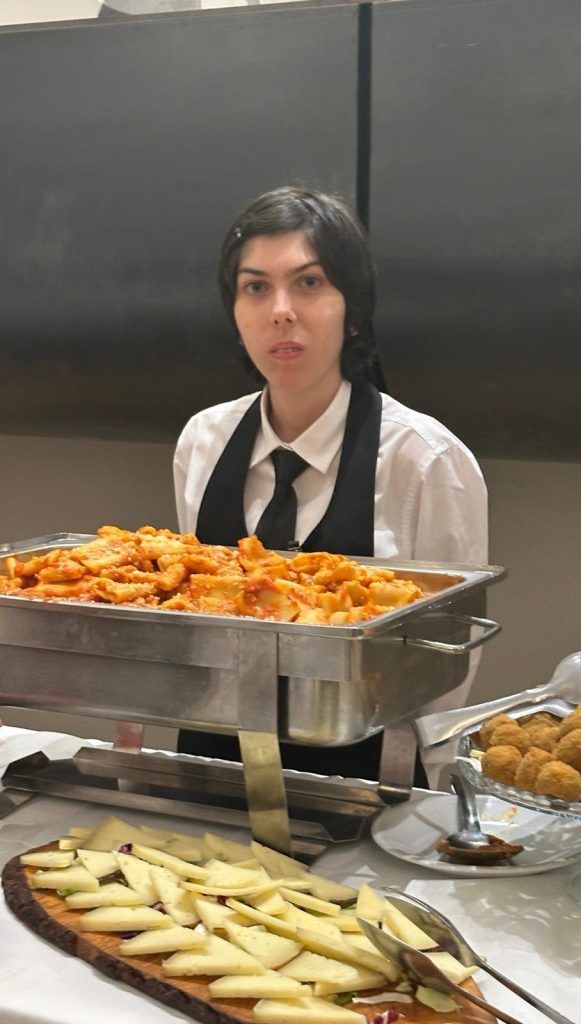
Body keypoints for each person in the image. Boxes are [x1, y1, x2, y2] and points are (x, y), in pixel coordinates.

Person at [173, 185, 488, 787]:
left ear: (354, 308)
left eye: (309, 282)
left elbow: (451, 658)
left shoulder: (424, 460)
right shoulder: (202, 442)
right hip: (208, 764)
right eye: (255, 287)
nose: (281, 310)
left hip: (369, 781)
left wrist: (424, 797)